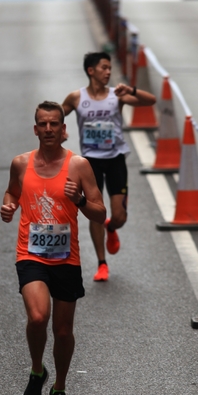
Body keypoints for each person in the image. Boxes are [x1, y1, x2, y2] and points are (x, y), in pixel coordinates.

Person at [0, 101, 106, 395]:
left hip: (65, 258)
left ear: (63, 129)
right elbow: (11, 193)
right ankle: (37, 370)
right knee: (37, 317)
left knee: (62, 331)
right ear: (36, 129)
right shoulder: (21, 164)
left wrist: (80, 200)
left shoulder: (79, 166)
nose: (48, 129)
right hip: (30, 254)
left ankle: (59, 388)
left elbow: (100, 213)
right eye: (43, 124)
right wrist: (8, 207)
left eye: (54, 124)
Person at [62, 52, 156, 282]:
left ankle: (111, 228)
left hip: (115, 159)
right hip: (90, 162)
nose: (108, 72)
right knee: (95, 213)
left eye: (110, 68)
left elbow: (151, 101)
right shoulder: (76, 97)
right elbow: (56, 114)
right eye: (104, 67)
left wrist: (131, 90)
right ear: (91, 70)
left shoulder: (117, 95)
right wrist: (60, 131)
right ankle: (102, 263)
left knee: (120, 216)